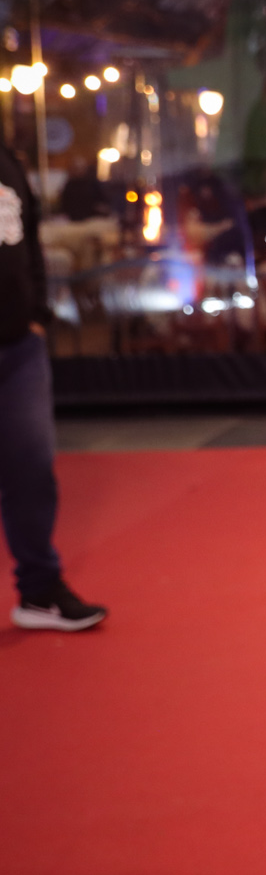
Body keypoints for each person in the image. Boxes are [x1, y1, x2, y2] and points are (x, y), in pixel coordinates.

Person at [1, 140, 108, 632]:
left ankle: (40, 591)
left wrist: (37, 315)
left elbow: (28, 245)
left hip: (18, 346)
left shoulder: (6, 158)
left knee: (32, 471)